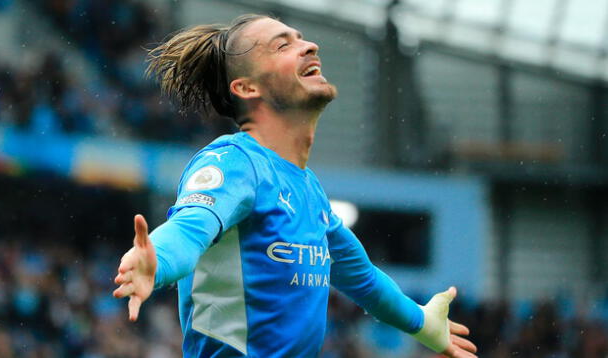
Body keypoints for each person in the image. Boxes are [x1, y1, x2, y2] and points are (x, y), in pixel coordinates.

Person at [113, 14, 478, 358]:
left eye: (302, 39)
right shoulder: (234, 163)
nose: (310, 46)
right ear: (246, 87)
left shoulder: (308, 190)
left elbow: (364, 280)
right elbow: (190, 227)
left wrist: (423, 324)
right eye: (282, 45)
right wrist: (156, 261)